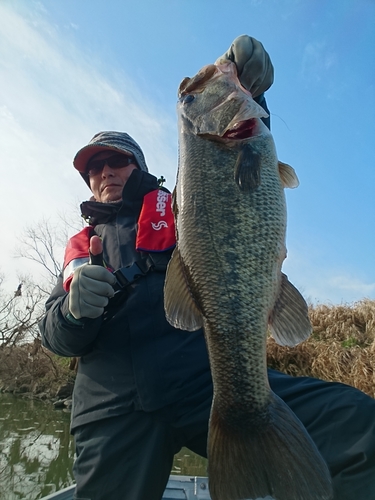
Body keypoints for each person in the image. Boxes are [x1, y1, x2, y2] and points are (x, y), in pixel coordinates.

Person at [39, 36, 375, 500]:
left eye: (116, 160)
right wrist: (72, 313)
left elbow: (237, 180)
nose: (104, 172)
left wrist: (254, 97)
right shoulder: (79, 248)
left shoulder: (180, 206)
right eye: (94, 168)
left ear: (136, 166)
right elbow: (54, 337)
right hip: (108, 407)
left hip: (206, 381)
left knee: (362, 431)